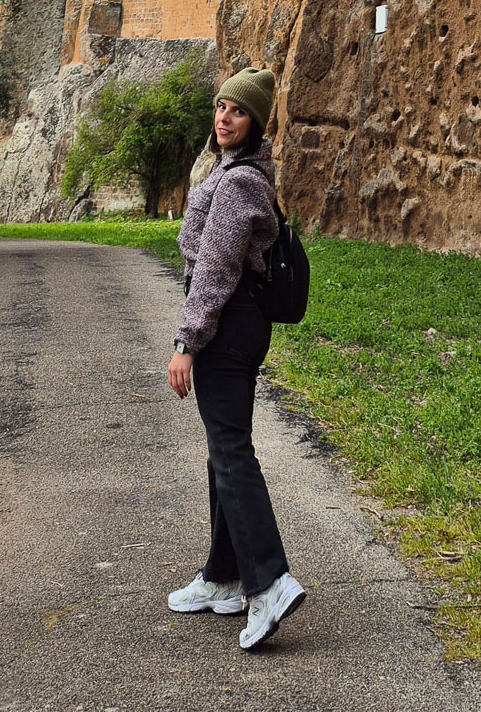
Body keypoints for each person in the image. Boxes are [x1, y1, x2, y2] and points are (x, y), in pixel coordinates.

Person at [166, 67, 306, 651]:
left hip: (228, 324)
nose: (224, 117)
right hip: (236, 322)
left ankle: (269, 582)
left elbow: (217, 269)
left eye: (238, 111)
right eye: (222, 106)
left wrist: (186, 343)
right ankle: (223, 579)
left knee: (232, 453)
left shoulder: (240, 182)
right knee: (222, 451)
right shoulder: (235, 172)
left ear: (255, 123)